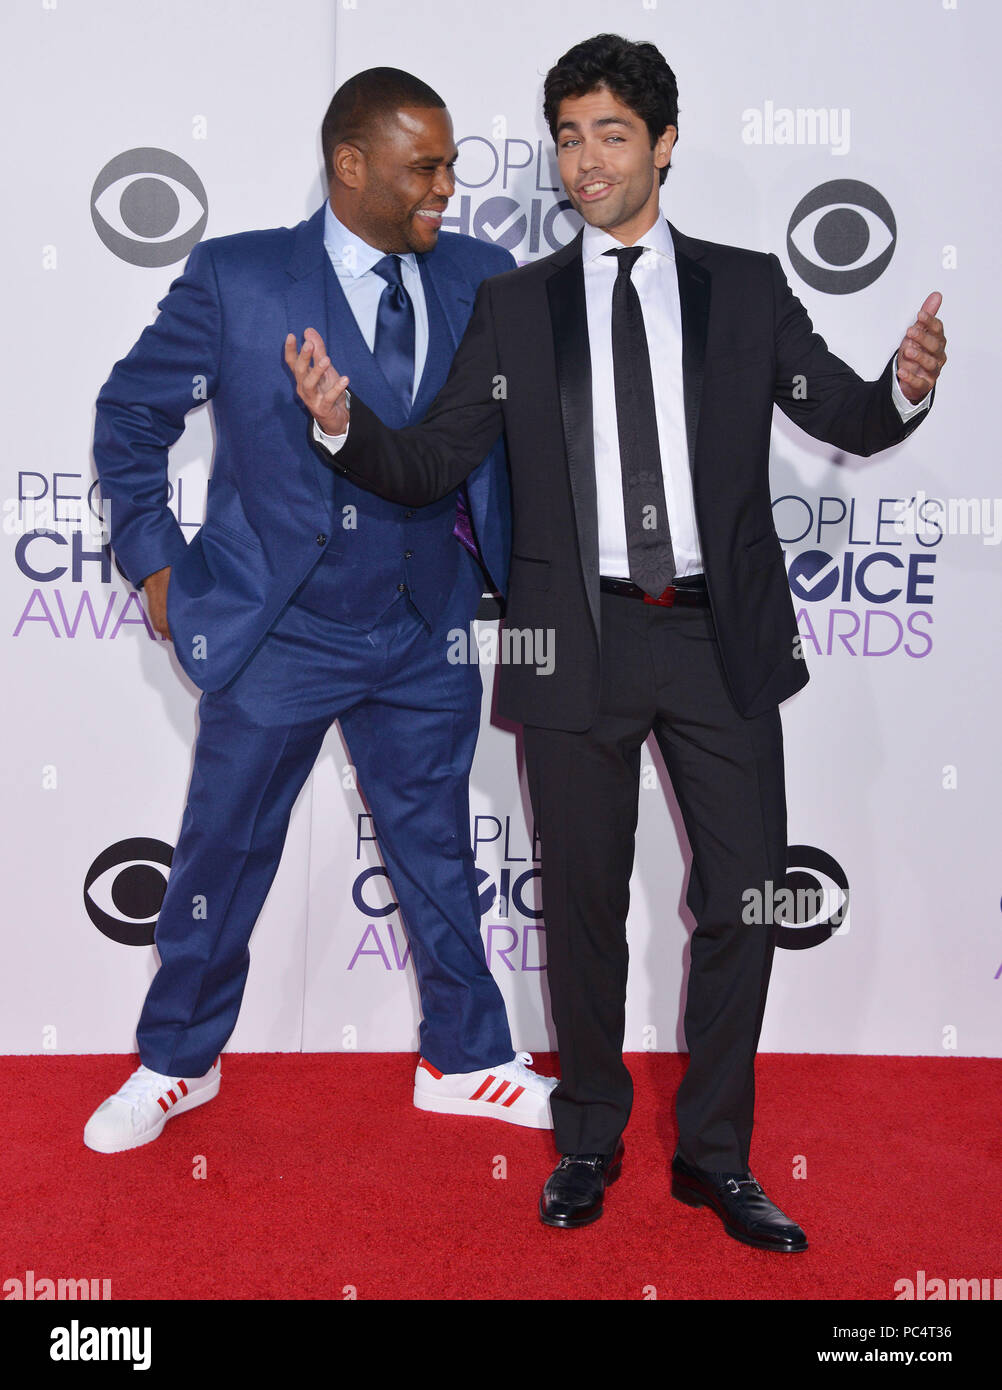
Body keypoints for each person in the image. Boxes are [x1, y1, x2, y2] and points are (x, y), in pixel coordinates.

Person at [290, 35, 946, 1247]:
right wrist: (343, 431)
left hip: (717, 642)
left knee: (747, 898)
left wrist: (904, 387)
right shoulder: (514, 303)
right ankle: (588, 1136)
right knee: (583, 907)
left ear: (665, 144)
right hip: (569, 644)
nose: (585, 162)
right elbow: (435, 459)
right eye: (569, 136)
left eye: (611, 135)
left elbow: (843, 411)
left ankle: (715, 1156)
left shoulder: (747, 290)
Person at [85, 67, 556, 1155]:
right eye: (423, 166)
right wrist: (154, 561)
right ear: (352, 165)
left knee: (438, 849)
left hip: (424, 619)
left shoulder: (484, 274)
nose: (448, 184)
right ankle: (175, 1061)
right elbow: (130, 416)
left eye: (449, 161)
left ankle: (469, 1057)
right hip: (279, 626)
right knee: (221, 854)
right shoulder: (238, 276)